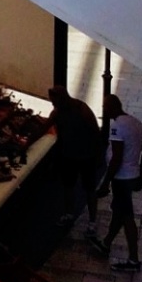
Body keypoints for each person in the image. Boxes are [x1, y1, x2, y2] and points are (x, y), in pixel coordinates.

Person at [91, 93, 142, 272]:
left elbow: (116, 157)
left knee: (127, 217)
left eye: (105, 107)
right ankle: (106, 243)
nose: (104, 111)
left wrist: (105, 182)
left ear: (111, 107)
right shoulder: (136, 123)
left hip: (121, 179)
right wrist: (141, 175)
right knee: (119, 212)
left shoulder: (117, 127)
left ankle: (133, 259)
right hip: (132, 176)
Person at [47, 85, 101, 227]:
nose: (53, 105)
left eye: (54, 101)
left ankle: (92, 219)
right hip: (69, 155)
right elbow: (44, 126)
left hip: (86, 155)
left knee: (89, 188)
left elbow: (95, 130)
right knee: (68, 186)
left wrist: (97, 153)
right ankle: (70, 213)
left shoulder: (82, 109)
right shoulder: (59, 112)